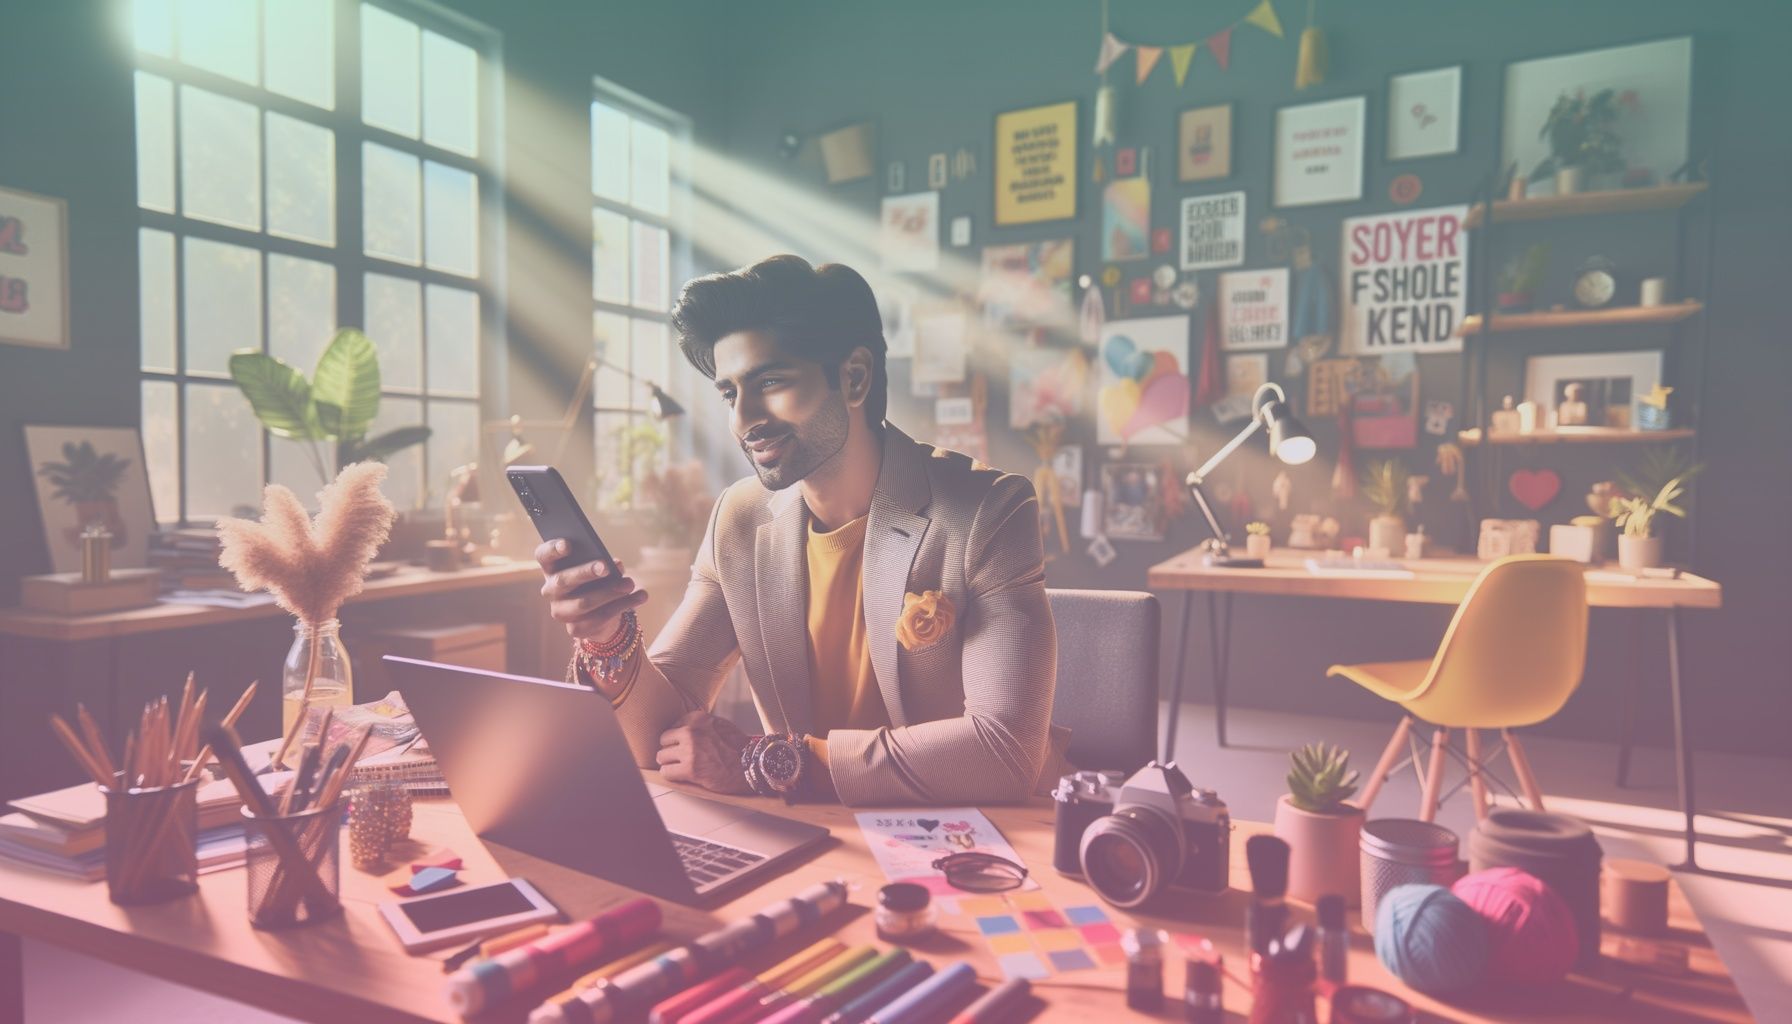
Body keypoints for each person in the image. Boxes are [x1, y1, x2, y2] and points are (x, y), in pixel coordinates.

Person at [536, 255, 1064, 806]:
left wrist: (772, 764)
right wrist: (608, 638)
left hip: (975, 837)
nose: (744, 419)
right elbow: (658, 739)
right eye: (729, 393)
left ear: (854, 377)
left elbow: (1004, 752)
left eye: (770, 381)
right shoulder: (739, 519)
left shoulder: (987, 510)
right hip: (814, 832)